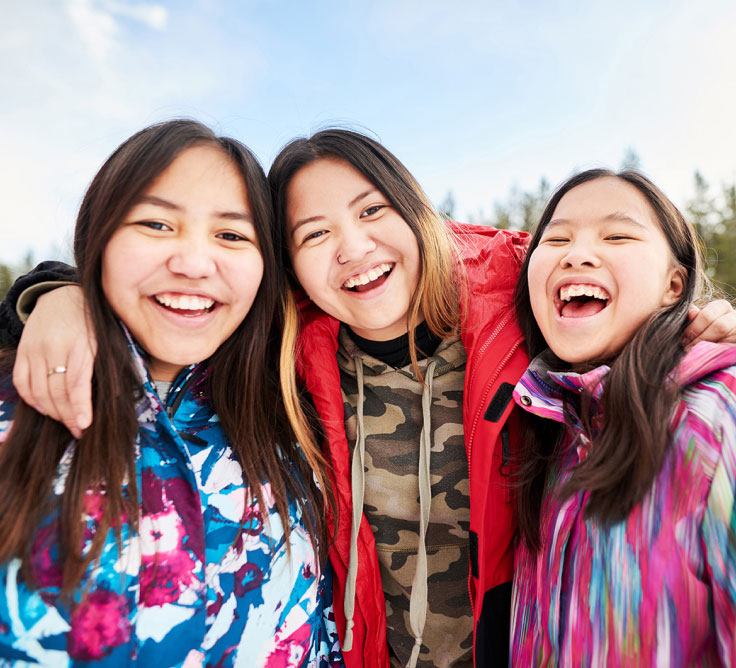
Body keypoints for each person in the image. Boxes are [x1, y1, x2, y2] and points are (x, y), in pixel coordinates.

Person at [4, 132, 736, 668]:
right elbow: (184, 287)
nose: (351, 247)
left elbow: (605, 270)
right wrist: (57, 295)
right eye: (313, 233)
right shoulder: (287, 354)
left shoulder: (521, 296)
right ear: (288, 265)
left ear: (420, 214)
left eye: (372, 212)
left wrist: (698, 328)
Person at [0, 120, 341, 667]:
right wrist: (58, 292)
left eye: (231, 235)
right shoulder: (16, 404)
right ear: (100, 236)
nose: (193, 263)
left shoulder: (293, 421)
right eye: (157, 224)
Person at [510, 169, 736, 666]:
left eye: (617, 235)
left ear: (674, 286)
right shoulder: (546, 422)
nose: (576, 253)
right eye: (557, 238)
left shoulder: (718, 414)